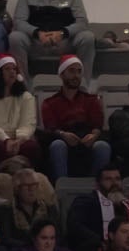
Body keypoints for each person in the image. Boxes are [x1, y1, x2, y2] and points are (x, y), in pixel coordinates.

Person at [11, 0, 95, 82]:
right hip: (37, 42)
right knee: (15, 37)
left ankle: (83, 87)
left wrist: (62, 33)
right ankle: (23, 88)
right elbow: (19, 22)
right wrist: (37, 33)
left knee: (87, 36)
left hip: (64, 42)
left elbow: (82, 22)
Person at [43, 55, 109, 183]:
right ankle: (63, 186)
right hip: (62, 138)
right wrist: (63, 135)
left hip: (87, 138)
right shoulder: (50, 102)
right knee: (58, 145)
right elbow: (50, 127)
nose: (76, 75)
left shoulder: (91, 100)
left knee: (102, 146)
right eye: (72, 71)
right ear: (62, 74)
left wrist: (94, 136)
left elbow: (97, 124)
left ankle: (97, 188)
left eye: (79, 72)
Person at [0, 54, 40, 164]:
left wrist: (19, 141)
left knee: (31, 147)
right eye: (7, 69)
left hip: (20, 139)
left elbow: (28, 123)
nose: (12, 72)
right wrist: (6, 140)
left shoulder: (26, 97)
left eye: (14, 69)